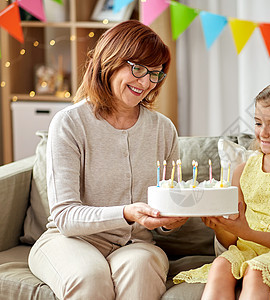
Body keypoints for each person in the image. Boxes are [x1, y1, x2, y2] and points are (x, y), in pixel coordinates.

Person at [28, 20, 188, 300]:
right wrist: (125, 213)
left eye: (155, 74)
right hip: (70, 240)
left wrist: (169, 221)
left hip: (135, 243)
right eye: (137, 68)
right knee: (90, 275)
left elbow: (166, 206)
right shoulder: (69, 123)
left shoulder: (163, 129)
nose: (145, 82)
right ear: (110, 61)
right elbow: (65, 216)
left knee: (142, 267)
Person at [173, 83, 270, 299]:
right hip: (248, 248)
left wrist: (245, 232)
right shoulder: (242, 171)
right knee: (220, 264)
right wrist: (219, 226)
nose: (263, 133)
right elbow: (231, 240)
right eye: (258, 123)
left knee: (256, 271)